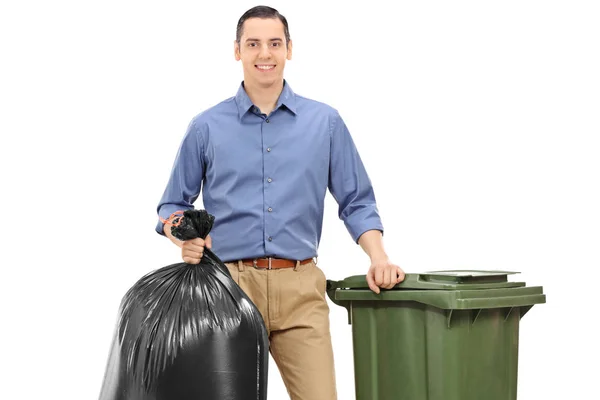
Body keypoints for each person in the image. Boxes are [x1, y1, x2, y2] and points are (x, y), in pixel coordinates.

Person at [155, 5, 405, 400]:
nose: (264, 54)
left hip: (301, 289)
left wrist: (378, 256)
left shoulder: (325, 123)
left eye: (274, 43)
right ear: (237, 51)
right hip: (229, 289)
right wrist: (182, 236)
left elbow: (356, 200)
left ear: (290, 48)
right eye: (253, 44)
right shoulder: (206, 126)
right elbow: (172, 204)